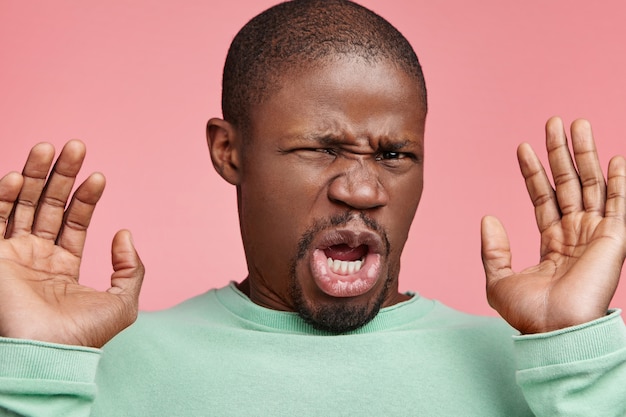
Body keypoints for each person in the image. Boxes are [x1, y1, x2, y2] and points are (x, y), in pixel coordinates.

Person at [0, 0, 625, 415]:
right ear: (229, 151)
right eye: (322, 148)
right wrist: (36, 371)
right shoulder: (99, 366)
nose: (362, 189)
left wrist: (576, 350)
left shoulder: (528, 365)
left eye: (396, 155)